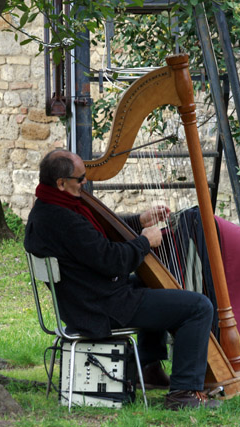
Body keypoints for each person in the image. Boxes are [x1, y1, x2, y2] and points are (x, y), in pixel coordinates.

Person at [24, 149, 220, 410]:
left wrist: (139, 221)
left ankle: (149, 368)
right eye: (80, 179)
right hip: (101, 307)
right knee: (198, 307)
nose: (85, 183)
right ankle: (183, 395)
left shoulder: (49, 207)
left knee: (148, 281)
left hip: (87, 298)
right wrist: (144, 242)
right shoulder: (64, 219)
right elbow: (111, 260)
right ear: (61, 183)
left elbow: (97, 238)